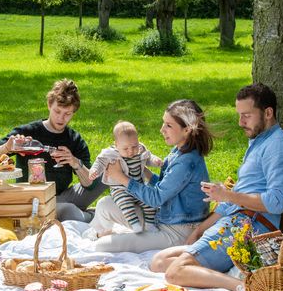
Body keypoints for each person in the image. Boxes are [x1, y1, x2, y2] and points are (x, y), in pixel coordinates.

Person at [150, 83, 283, 291]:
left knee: (174, 272)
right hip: (234, 220)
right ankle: (230, 270)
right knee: (159, 261)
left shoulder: (276, 147)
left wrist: (227, 194)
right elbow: (233, 200)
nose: (240, 122)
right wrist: (199, 231)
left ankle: (246, 287)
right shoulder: (259, 141)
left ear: (268, 113)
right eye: (239, 115)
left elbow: (276, 202)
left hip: (249, 226)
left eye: (246, 115)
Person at [87, 100, 213, 253]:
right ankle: (102, 232)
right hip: (163, 217)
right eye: (163, 123)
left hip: (177, 231)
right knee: (105, 204)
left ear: (186, 130)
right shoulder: (178, 150)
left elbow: (156, 198)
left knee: (102, 246)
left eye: (168, 125)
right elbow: (163, 186)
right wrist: (142, 170)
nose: (162, 130)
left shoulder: (187, 162)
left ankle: (111, 236)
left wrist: (120, 177)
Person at [0, 79, 107, 222]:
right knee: (69, 211)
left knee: (107, 172)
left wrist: (75, 162)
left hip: (63, 196)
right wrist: (7, 147)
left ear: (73, 113)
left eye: (67, 114)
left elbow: (90, 185)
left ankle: (72, 212)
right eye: (57, 111)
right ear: (49, 105)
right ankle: (94, 216)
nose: (61, 118)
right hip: (33, 199)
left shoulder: (74, 139)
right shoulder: (28, 132)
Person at [88, 121, 163, 233]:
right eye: (126, 148)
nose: (131, 151)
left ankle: (149, 224)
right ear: (116, 144)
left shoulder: (140, 149)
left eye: (134, 146)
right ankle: (134, 224)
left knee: (150, 203)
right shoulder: (111, 153)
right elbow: (100, 161)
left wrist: (155, 161)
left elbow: (148, 157)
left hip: (138, 186)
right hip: (120, 189)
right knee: (124, 203)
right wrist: (94, 170)